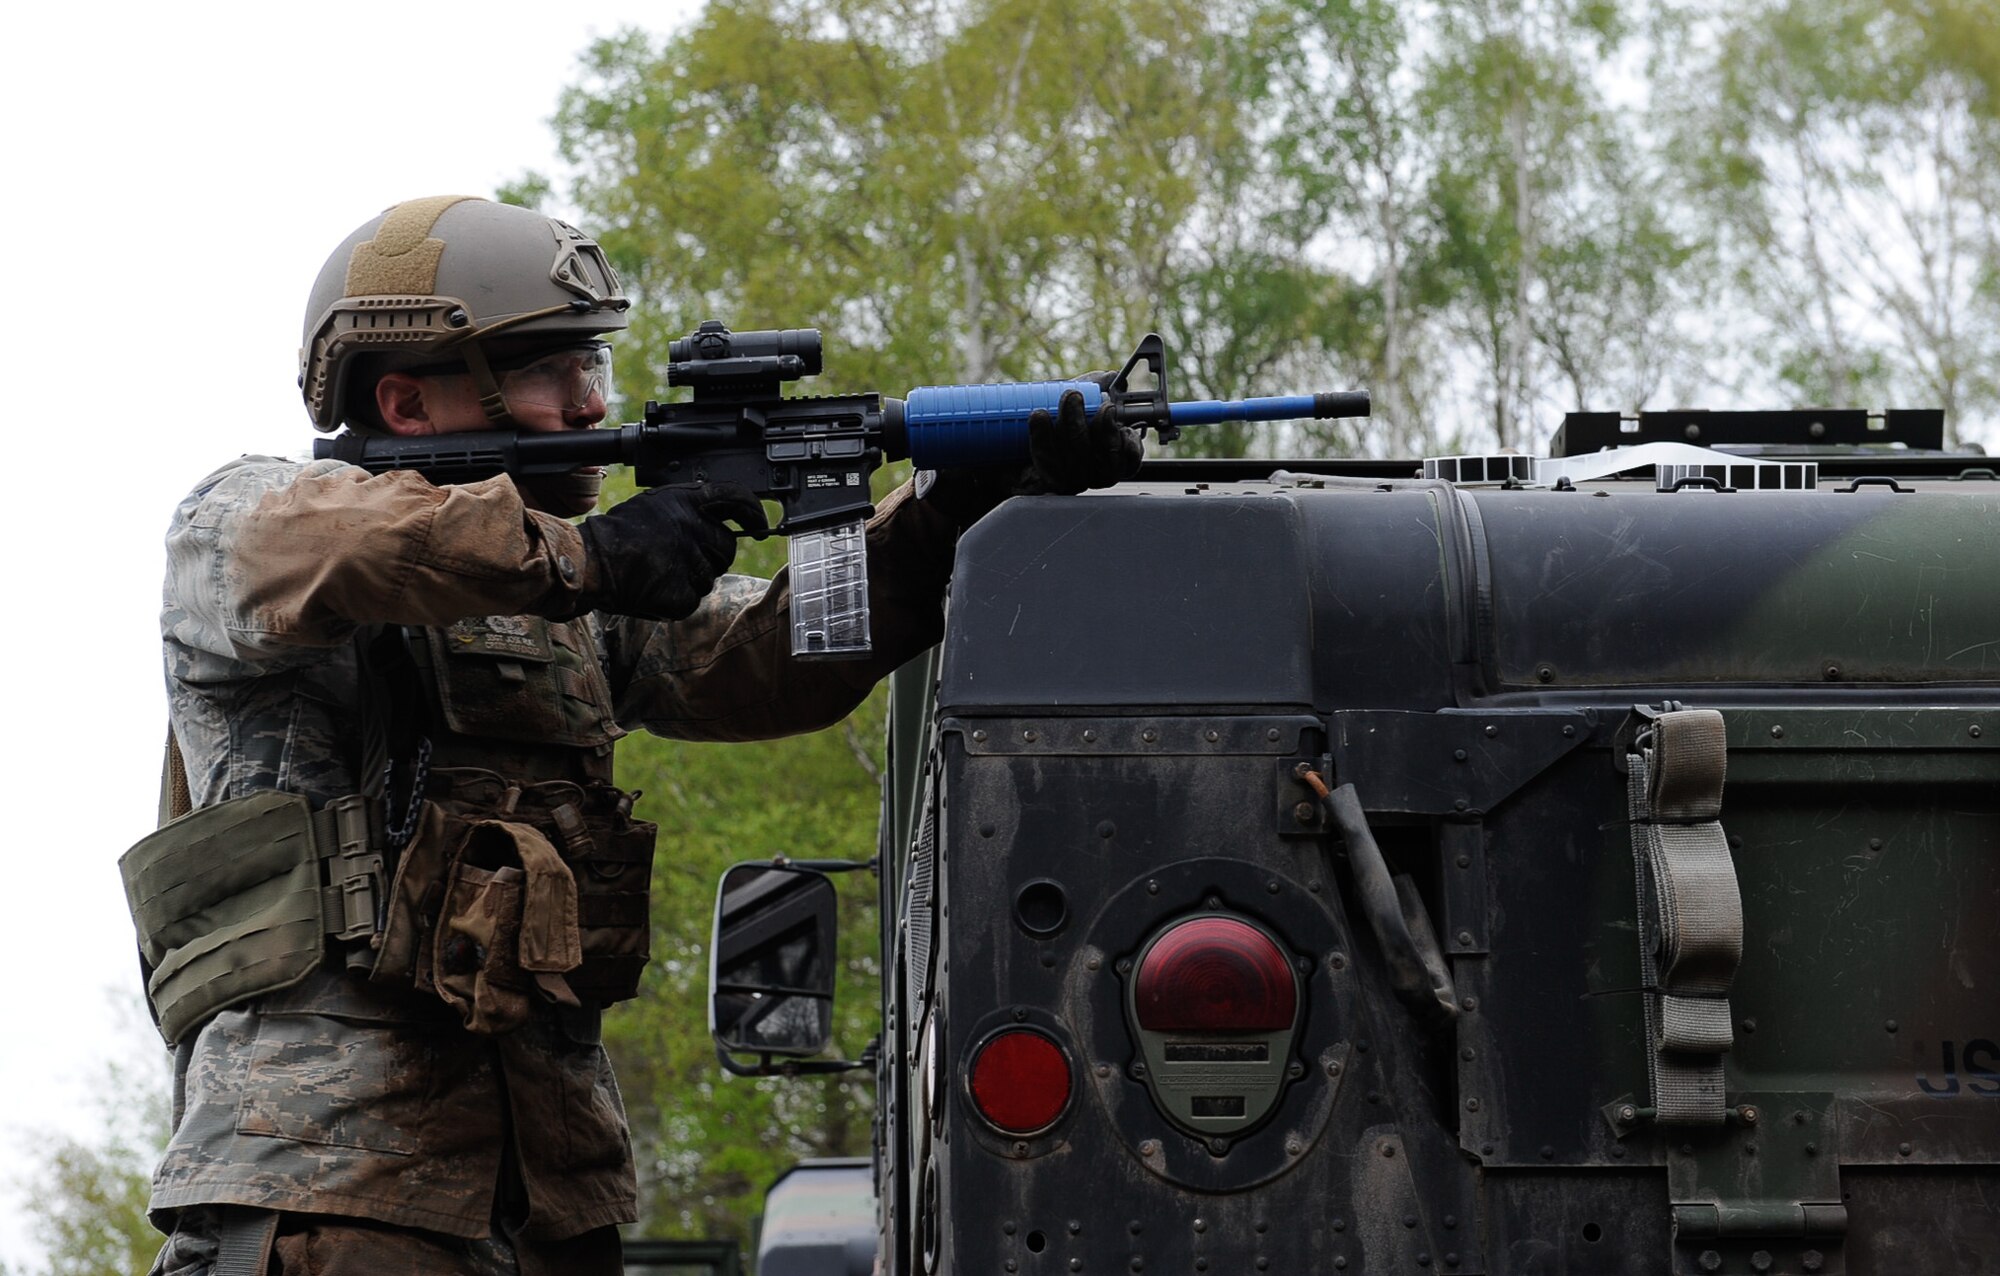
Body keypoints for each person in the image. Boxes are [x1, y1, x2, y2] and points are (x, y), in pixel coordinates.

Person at [125, 194, 1140, 1275]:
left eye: (592, 366)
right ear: (407, 400)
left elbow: (766, 658)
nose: (587, 402)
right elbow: (340, 543)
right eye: (546, 370)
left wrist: (944, 517)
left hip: (553, 1208)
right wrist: (588, 557)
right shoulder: (241, 528)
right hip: (328, 1194)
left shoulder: (568, 615)